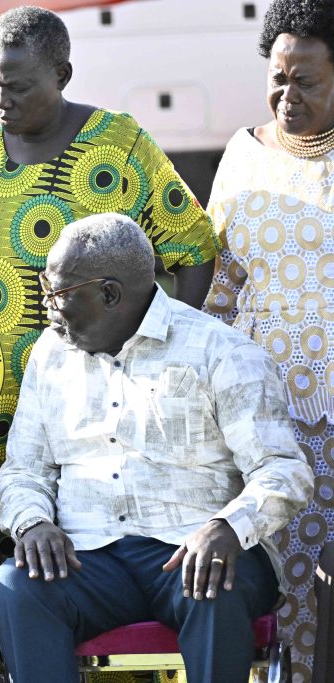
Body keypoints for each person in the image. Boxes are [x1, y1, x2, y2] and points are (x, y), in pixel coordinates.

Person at [0, 213, 313, 683]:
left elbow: (282, 470)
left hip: (193, 549)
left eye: (59, 294)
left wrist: (228, 527)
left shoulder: (220, 351)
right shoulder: (49, 355)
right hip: (89, 557)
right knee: (18, 585)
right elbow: (24, 470)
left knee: (215, 583)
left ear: (109, 294)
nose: (47, 307)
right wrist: (33, 522)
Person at [0, 6, 219, 540]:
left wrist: (160, 354)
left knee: (80, 544)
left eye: (18, 87)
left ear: (62, 76)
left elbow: (193, 246)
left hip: (87, 397)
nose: (1, 101)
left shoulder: (117, 144)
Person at [202, 1, 334, 677]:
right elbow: (221, 288)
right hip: (264, 421)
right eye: (278, 79)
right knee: (281, 586)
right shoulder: (242, 155)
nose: (288, 95)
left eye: (306, 81)